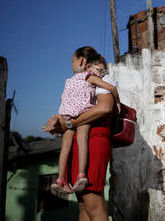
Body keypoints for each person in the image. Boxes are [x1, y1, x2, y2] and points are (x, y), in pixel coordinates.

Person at [43, 46, 119, 221]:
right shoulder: (77, 82)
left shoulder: (101, 77)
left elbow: (105, 107)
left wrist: (70, 123)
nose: (72, 65)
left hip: (92, 142)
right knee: (83, 205)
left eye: (72, 61)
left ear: (81, 61)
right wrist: (59, 123)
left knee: (94, 203)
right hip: (79, 142)